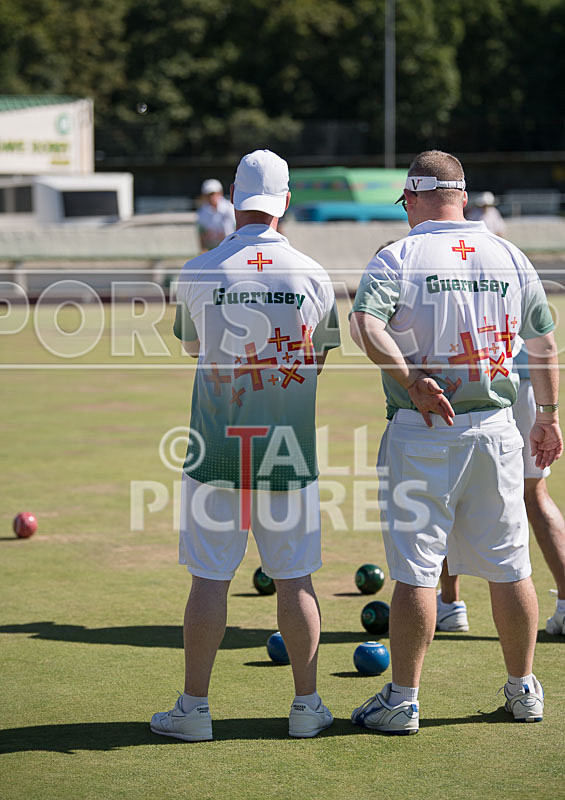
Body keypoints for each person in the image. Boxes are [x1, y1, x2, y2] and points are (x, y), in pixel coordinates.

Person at [348, 150, 562, 735]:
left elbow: (364, 324)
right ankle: (524, 691)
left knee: (416, 571)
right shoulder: (509, 253)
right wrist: (547, 413)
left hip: (423, 431)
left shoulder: (400, 254)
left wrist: (411, 379)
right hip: (498, 431)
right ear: (463, 195)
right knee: (510, 564)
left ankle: (402, 700)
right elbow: (543, 339)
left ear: (415, 198)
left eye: (408, 202)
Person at [150, 149, 340, 742]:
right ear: (286, 202)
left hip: (216, 449)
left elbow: (190, 348)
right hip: (289, 450)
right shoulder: (313, 273)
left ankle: (194, 710)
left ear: (235, 198)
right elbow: (318, 358)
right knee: (297, 581)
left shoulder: (199, 268)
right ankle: (307, 707)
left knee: (208, 581)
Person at [437, 337, 565, 635]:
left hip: (463, 381)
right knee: (535, 494)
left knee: (443, 496)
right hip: (525, 379)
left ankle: (450, 604)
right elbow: (541, 335)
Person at [197, 178, 236, 251]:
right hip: (213, 249)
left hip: (230, 247)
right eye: (209, 195)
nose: (212, 197)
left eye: (214, 194)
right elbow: (201, 234)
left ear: (220, 193)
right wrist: (203, 250)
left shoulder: (230, 209)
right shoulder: (202, 212)